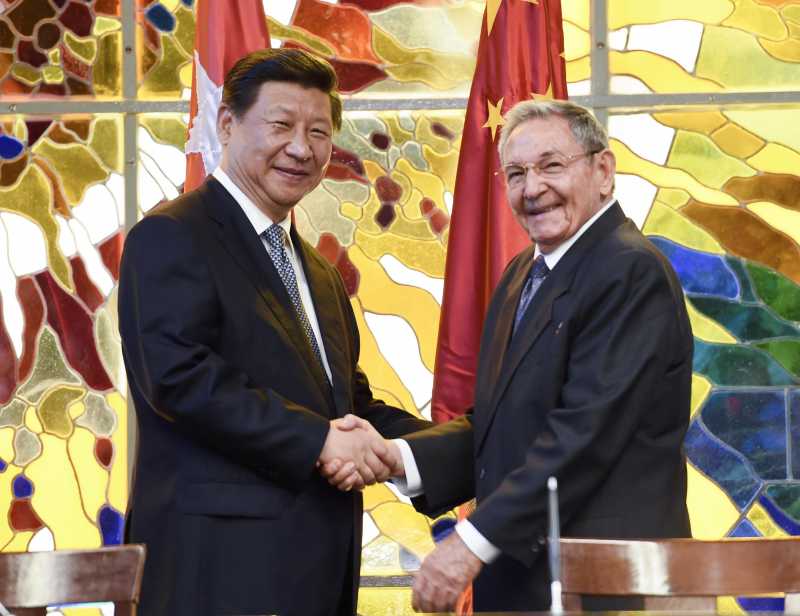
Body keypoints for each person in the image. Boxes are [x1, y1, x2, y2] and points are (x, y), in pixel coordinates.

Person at [327, 99, 693, 612]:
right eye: (516, 173)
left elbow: (583, 437)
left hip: (608, 589)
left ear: (603, 171)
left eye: (551, 165)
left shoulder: (630, 272)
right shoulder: (524, 272)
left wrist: (469, 544)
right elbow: (504, 425)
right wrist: (402, 456)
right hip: (529, 584)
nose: (533, 188)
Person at [118, 48, 429, 616]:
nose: (301, 148)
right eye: (281, 125)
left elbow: (349, 408)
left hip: (317, 570)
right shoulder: (171, 235)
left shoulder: (320, 273)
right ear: (228, 124)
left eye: (318, 131)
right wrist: (319, 442)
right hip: (215, 571)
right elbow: (181, 379)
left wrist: (449, 450)